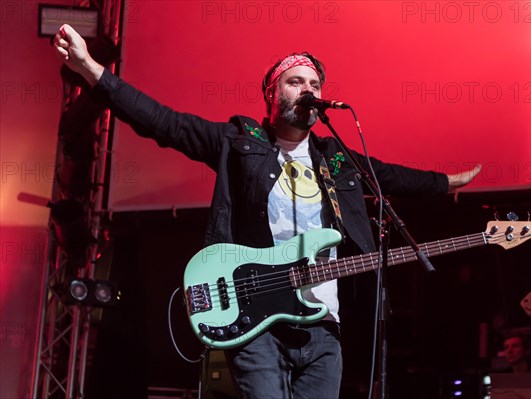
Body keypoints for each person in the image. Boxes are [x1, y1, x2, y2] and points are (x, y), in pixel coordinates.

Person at [53, 24, 481, 399]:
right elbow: (163, 122)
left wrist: (447, 183)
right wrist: (93, 71)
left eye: (314, 84)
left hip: (322, 323)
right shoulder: (240, 142)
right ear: (272, 93)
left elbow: (392, 177)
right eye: (296, 82)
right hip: (257, 318)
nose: (308, 91)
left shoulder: (337, 161)